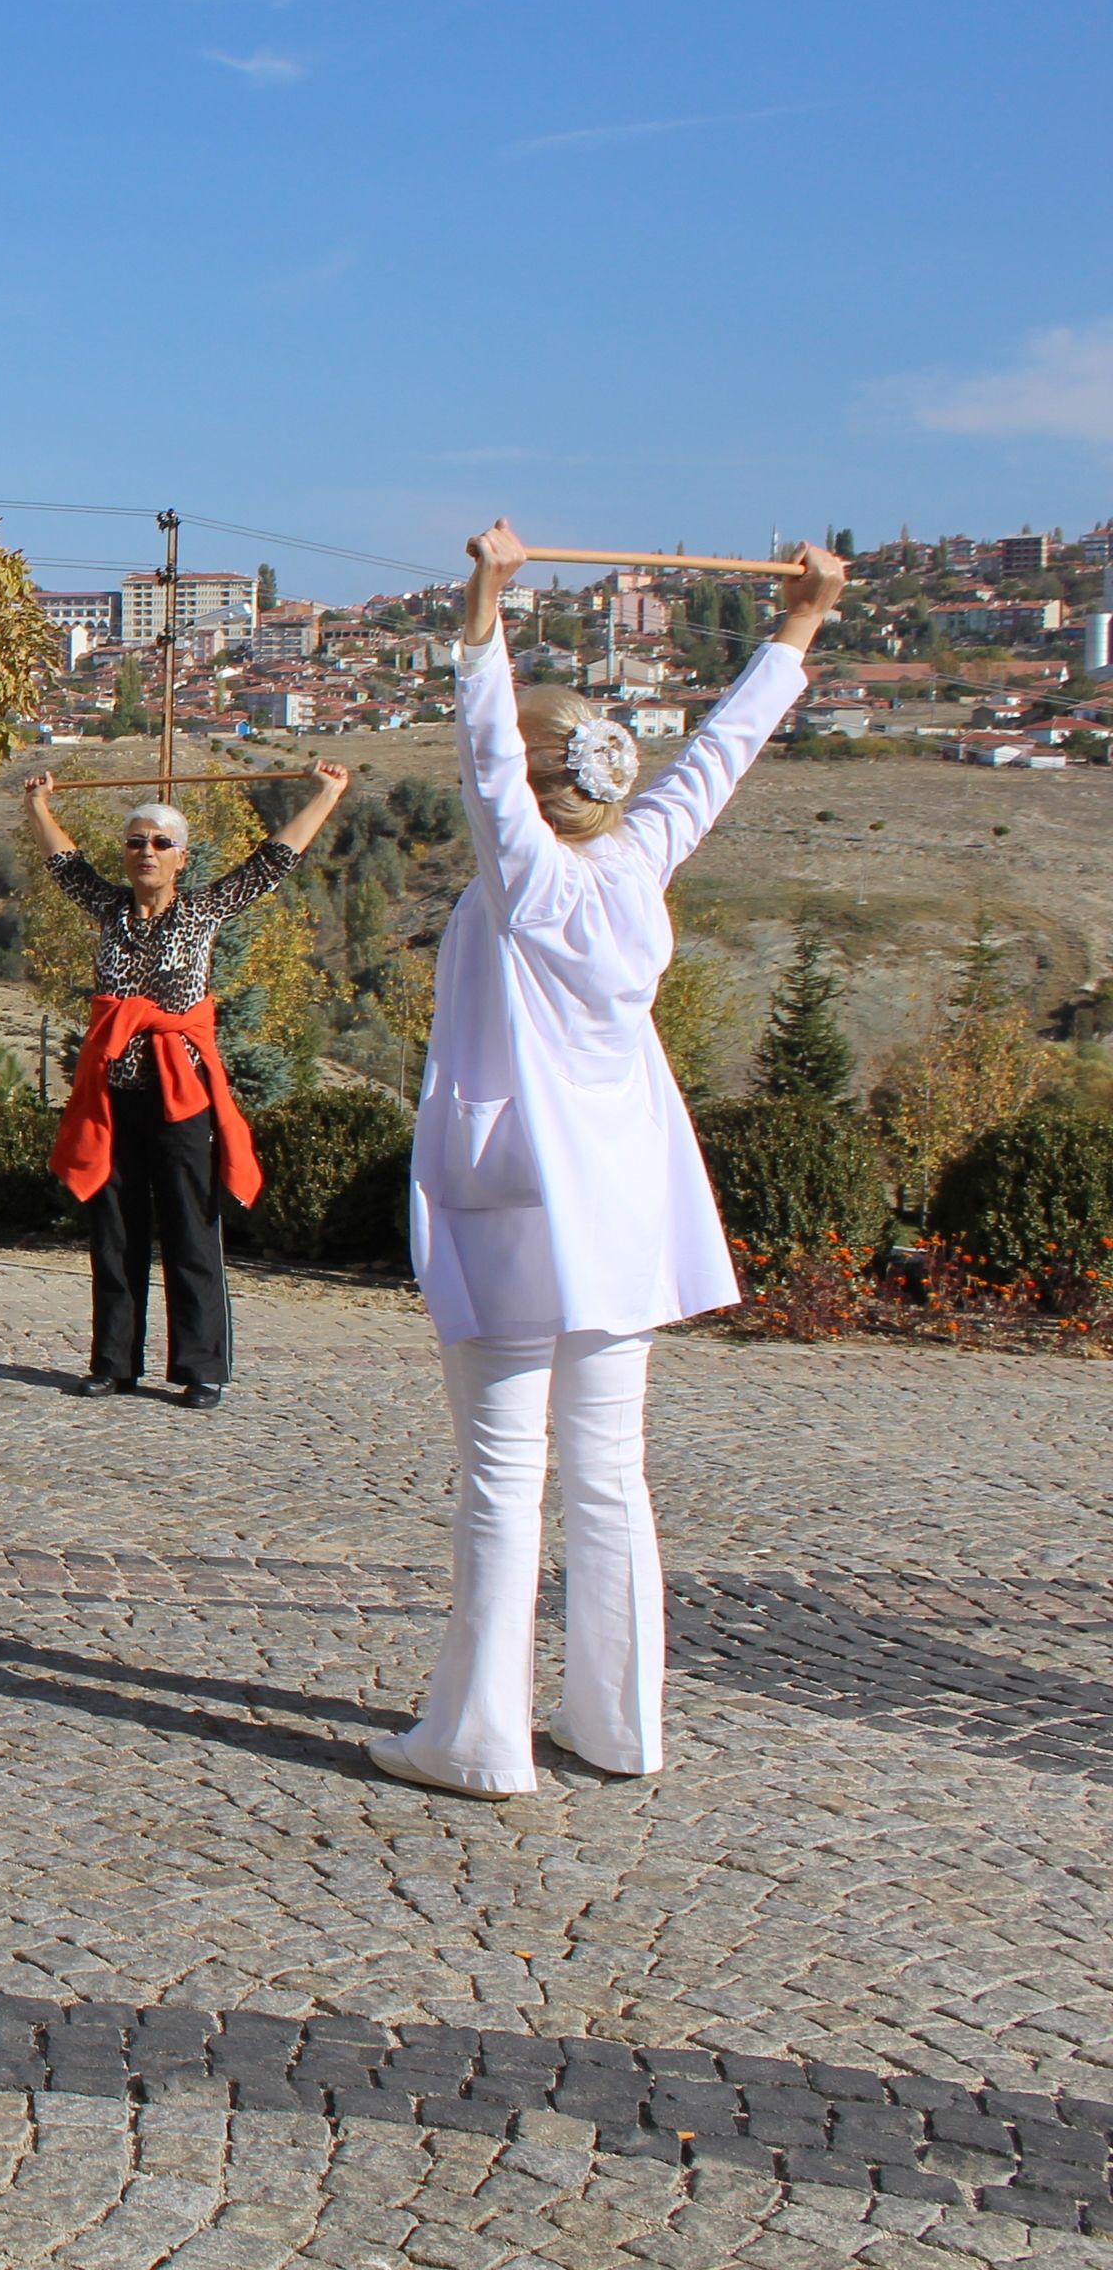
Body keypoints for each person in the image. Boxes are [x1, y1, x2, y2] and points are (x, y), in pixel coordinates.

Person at [369, 524, 843, 1803]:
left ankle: (478, 1736)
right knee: (609, 1472)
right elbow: (721, 757)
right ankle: (617, 1720)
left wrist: (486, 599)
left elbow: (480, 747)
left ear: (535, 784)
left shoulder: (524, 878)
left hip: (524, 1202)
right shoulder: (642, 865)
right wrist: (797, 626)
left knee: (505, 1476)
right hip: (628, 1203)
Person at [29, 759, 350, 1408]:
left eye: (160, 843)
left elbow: (273, 861)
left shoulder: (202, 911)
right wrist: (38, 806)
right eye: (135, 842)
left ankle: (201, 1367)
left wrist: (328, 793)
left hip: (182, 1094)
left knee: (190, 1227)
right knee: (114, 1230)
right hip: (114, 1095)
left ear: (181, 858)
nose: (146, 852)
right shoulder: (109, 909)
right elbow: (64, 864)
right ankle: (113, 1362)